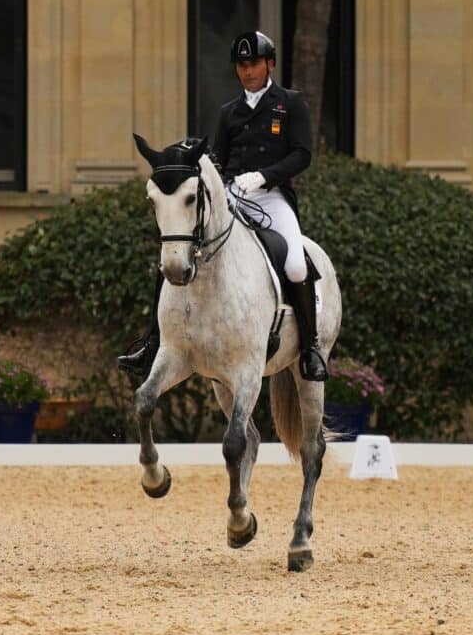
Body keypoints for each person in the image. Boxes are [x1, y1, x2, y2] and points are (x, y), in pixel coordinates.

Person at [119, 30, 328, 382]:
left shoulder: (289, 103)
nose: (248, 71)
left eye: (255, 64)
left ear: (269, 64)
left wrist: (263, 176)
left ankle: (309, 347)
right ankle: (153, 342)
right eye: (242, 65)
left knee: (294, 263)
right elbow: (218, 157)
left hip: (271, 196)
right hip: (231, 195)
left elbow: (302, 154)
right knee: (177, 249)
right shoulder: (228, 112)